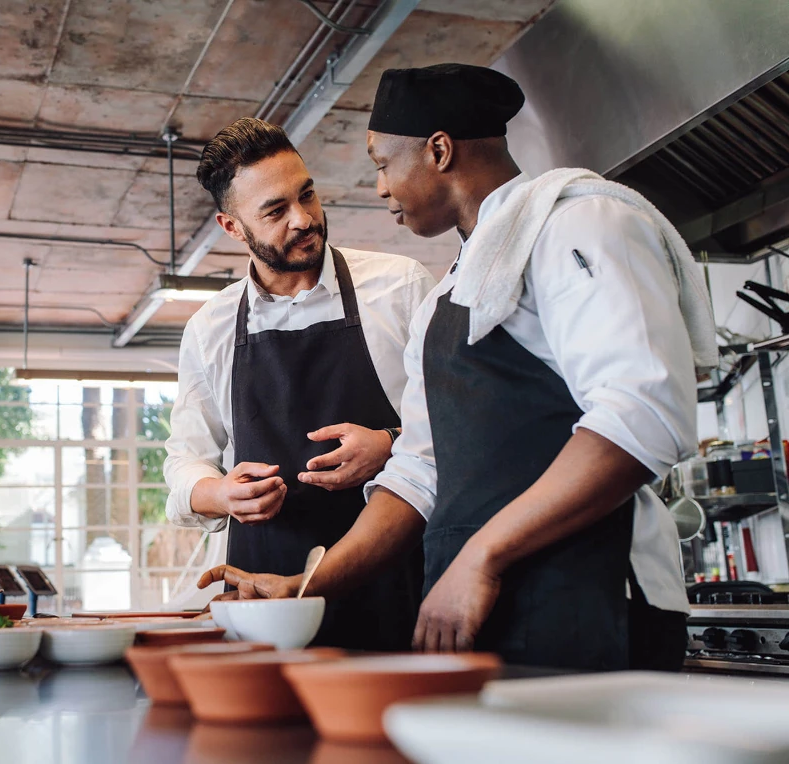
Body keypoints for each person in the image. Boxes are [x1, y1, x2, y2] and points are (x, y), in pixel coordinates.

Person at [198, 65, 717, 671]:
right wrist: (306, 587)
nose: (380, 188)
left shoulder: (580, 223)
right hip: (479, 607)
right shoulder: (448, 295)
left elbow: (645, 415)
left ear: (439, 151)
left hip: (593, 594)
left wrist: (482, 556)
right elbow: (419, 472)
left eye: (383, 164)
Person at [164, 117, 436, 650]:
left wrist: (389, 444)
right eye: (275, 211)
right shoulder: (211, 328)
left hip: (396, 585)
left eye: (307, 195)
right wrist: (219, 492)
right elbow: (183, 459)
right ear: (232, 227)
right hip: (265, 603)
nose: (304, 219)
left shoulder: (399, 287)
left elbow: (454, 428)